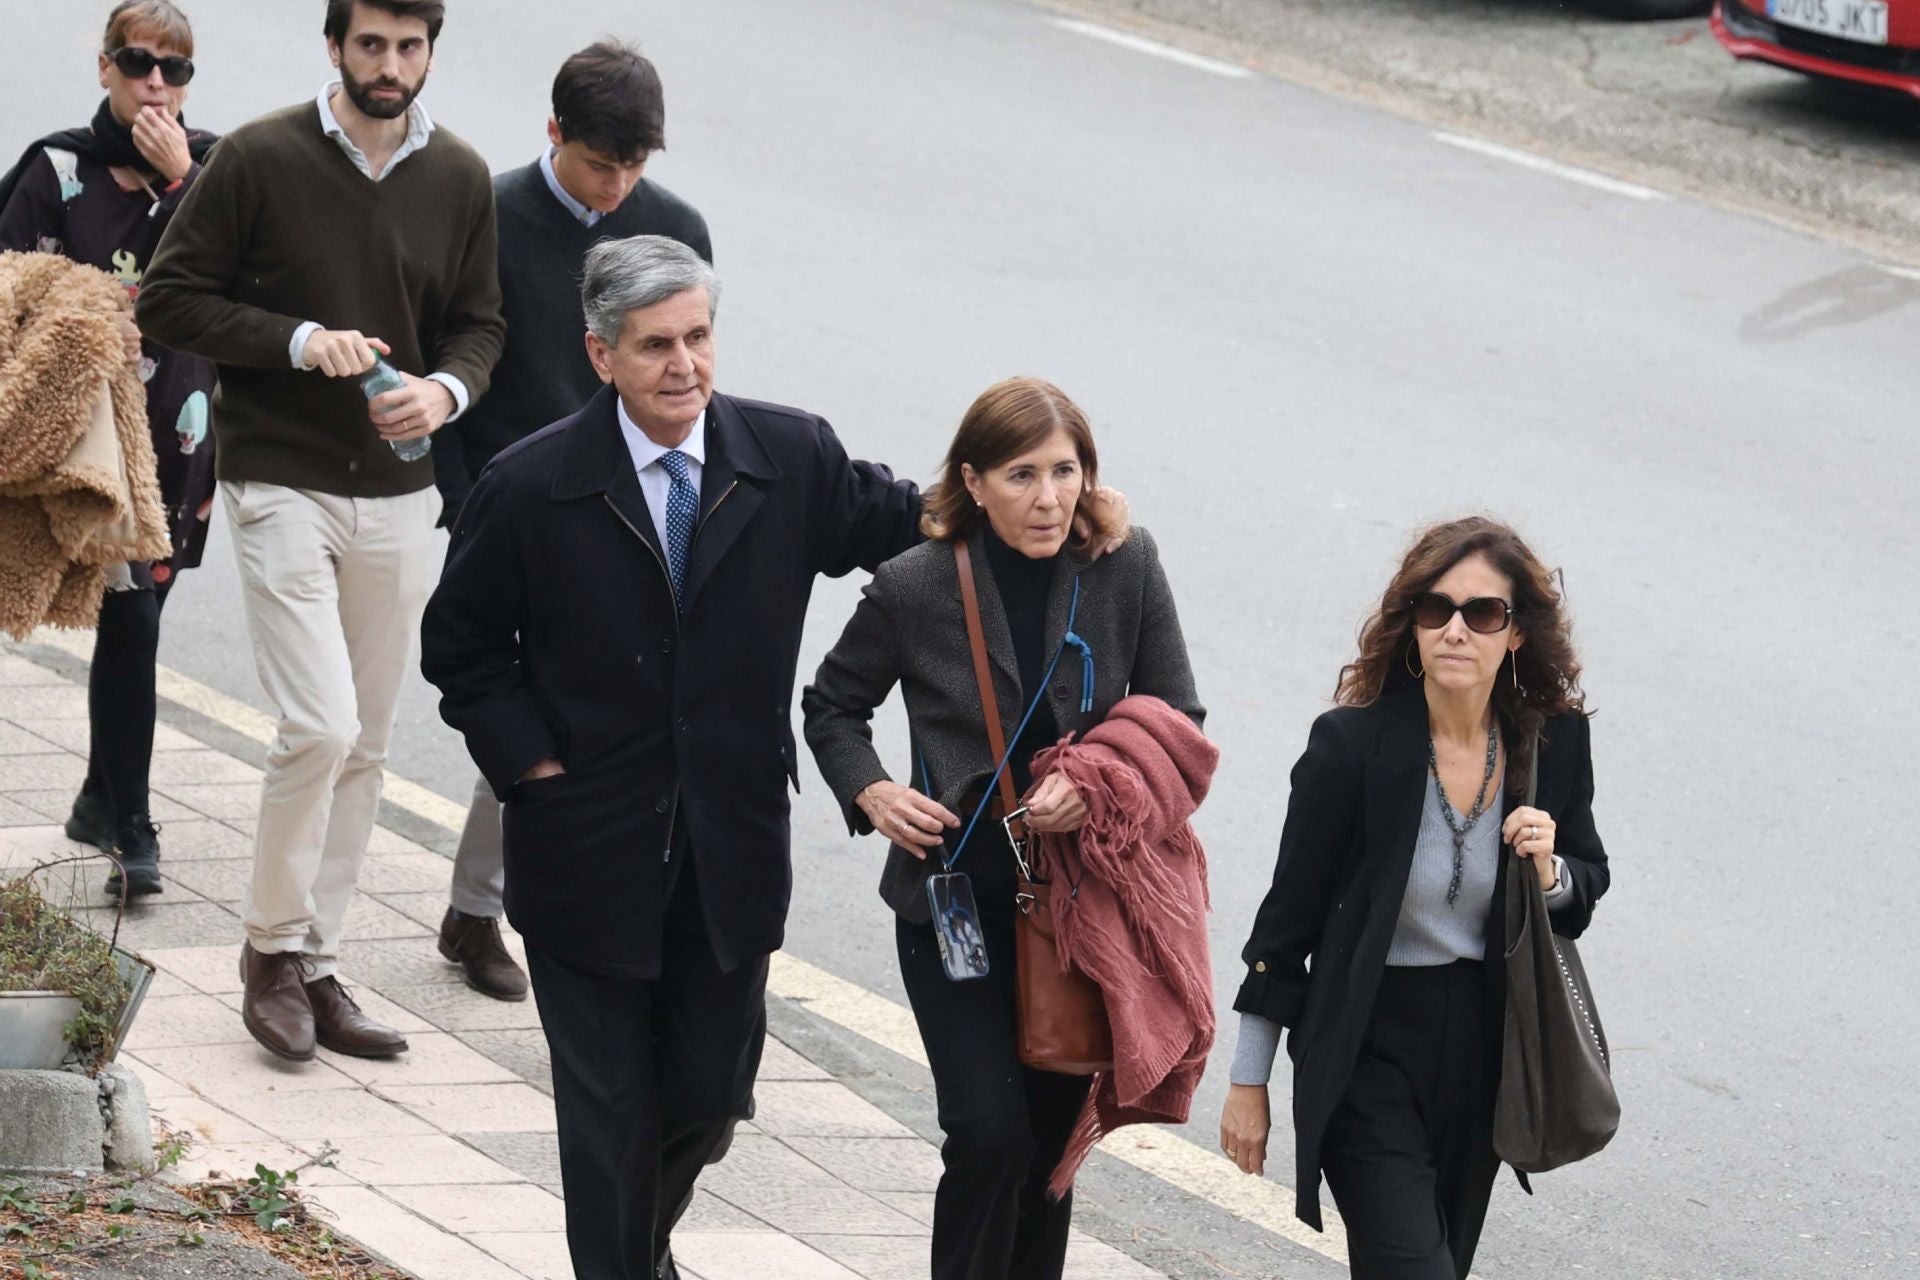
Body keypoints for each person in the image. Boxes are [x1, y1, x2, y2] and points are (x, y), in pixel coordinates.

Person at [419, 234, 928, 1280]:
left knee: (706, 1094)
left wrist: (1037, 505)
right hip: (584, 850)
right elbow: (461, 651)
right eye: (656, 344)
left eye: (698, 336)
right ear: (602, 353)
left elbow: (910, 526)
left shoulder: (789, 457)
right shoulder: (531, 485)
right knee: (608, 1116)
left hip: (730, 847)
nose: (684, 365)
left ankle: (638, 1250)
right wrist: (533, 774)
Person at [136, 0, 504, 1065]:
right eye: (372, 44)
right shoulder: (256, 156)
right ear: (336, 46)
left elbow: (482, 324)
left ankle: (322, 960)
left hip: (399, 488)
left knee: (371, 742)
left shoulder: (460, 178)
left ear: (430, 50)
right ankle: (267, 952)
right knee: (321, 724)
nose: (391, 66)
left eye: (410, 46)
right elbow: (170, 300)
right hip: (280, 476)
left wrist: (443, 392)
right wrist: (298, 340)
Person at [801, 377, 1204, 1280]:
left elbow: (1180, 715)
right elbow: (832, 706)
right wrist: (871, 791)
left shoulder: (1124, 564)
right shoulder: (913, 585)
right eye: (1022, 475)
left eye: (1067, 471)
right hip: (954, 909)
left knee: (1048, 1159)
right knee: (987, 1136)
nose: (1049, 497)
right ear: (974, 483)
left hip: (1077, 911)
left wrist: (1099, 787)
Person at [1218, 516, 1611, 1279]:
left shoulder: (1550, 744)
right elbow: (1284, 926)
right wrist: (1247, 1081)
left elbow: (1587, 880)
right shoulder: (1350, 749)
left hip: (1486, 1049)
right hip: (1367, 1044)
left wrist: (1551, 870)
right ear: (1413, 626)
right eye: (1436, 610)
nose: (1456, 629)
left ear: (1517, 633)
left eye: (1483, 612)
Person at [433, 38, 712, 1006]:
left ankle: (483, 902)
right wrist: (464, 498)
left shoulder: (673, 228)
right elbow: (452, 355)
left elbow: (690, 382)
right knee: (515, 702)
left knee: (580, 710)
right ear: (553, 133)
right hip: (503, 507)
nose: (618, 186)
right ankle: (484, 905)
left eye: (636, 166)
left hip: (628, 516)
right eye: (601, 163)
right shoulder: (490, 216)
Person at [0, 0, 219, 897]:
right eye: (138, 64)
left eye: (175, 69)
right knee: (124, 622)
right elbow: (13, 286)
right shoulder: (56, 168)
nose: (157, 85)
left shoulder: (214, 168)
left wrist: (181, 185)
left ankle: (106, 796)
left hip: (178, 436)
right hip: (81, 441)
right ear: (104, 69)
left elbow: (238, 273)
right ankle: (128, 817)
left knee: (140, 620)